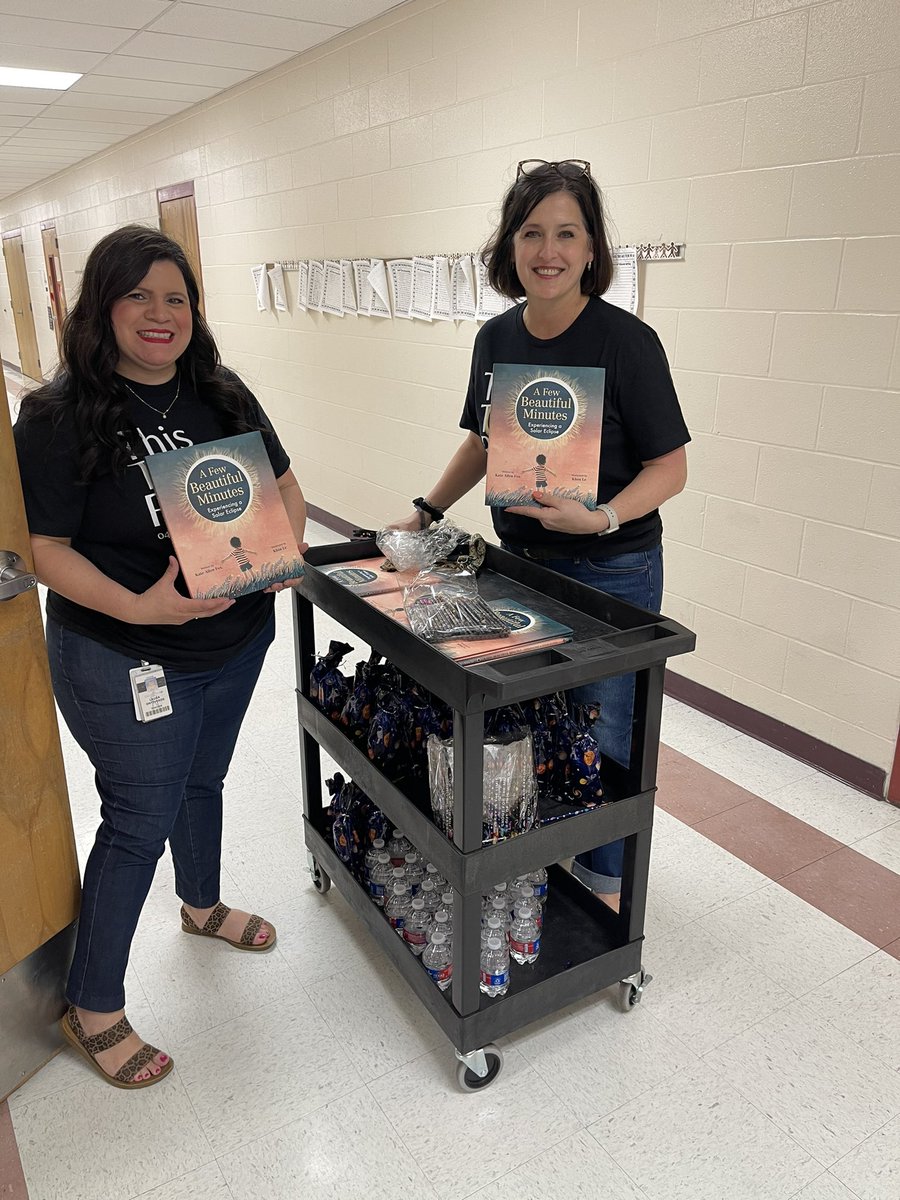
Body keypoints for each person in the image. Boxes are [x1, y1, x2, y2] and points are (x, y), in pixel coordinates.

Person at [13, 225, 307, 1089]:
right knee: (139, 817)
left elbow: (283, 483)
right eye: (138, 294)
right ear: (100, 305)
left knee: (202, 781)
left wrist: (280, 549)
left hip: (235, 636)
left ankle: (202, 904)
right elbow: (45, 547)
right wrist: (144, 604)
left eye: (175, 297)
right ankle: (92, 1004)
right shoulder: (58, 413)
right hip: (123, 651)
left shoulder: (219, 390)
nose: (159, 313)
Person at [393, 160, 689, 911]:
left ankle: (601, 882)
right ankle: (541, 855)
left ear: (592, 249)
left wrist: (603, 515)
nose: (547, 250)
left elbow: (670, 467)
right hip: (519, 565)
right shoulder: (495, 338)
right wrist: (426, 510)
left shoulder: (627, 343)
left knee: (605, 728)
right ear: (511, 244)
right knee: (531, 720)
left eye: (567, 233)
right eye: (532, 232)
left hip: (610, 568)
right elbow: (481, 443)